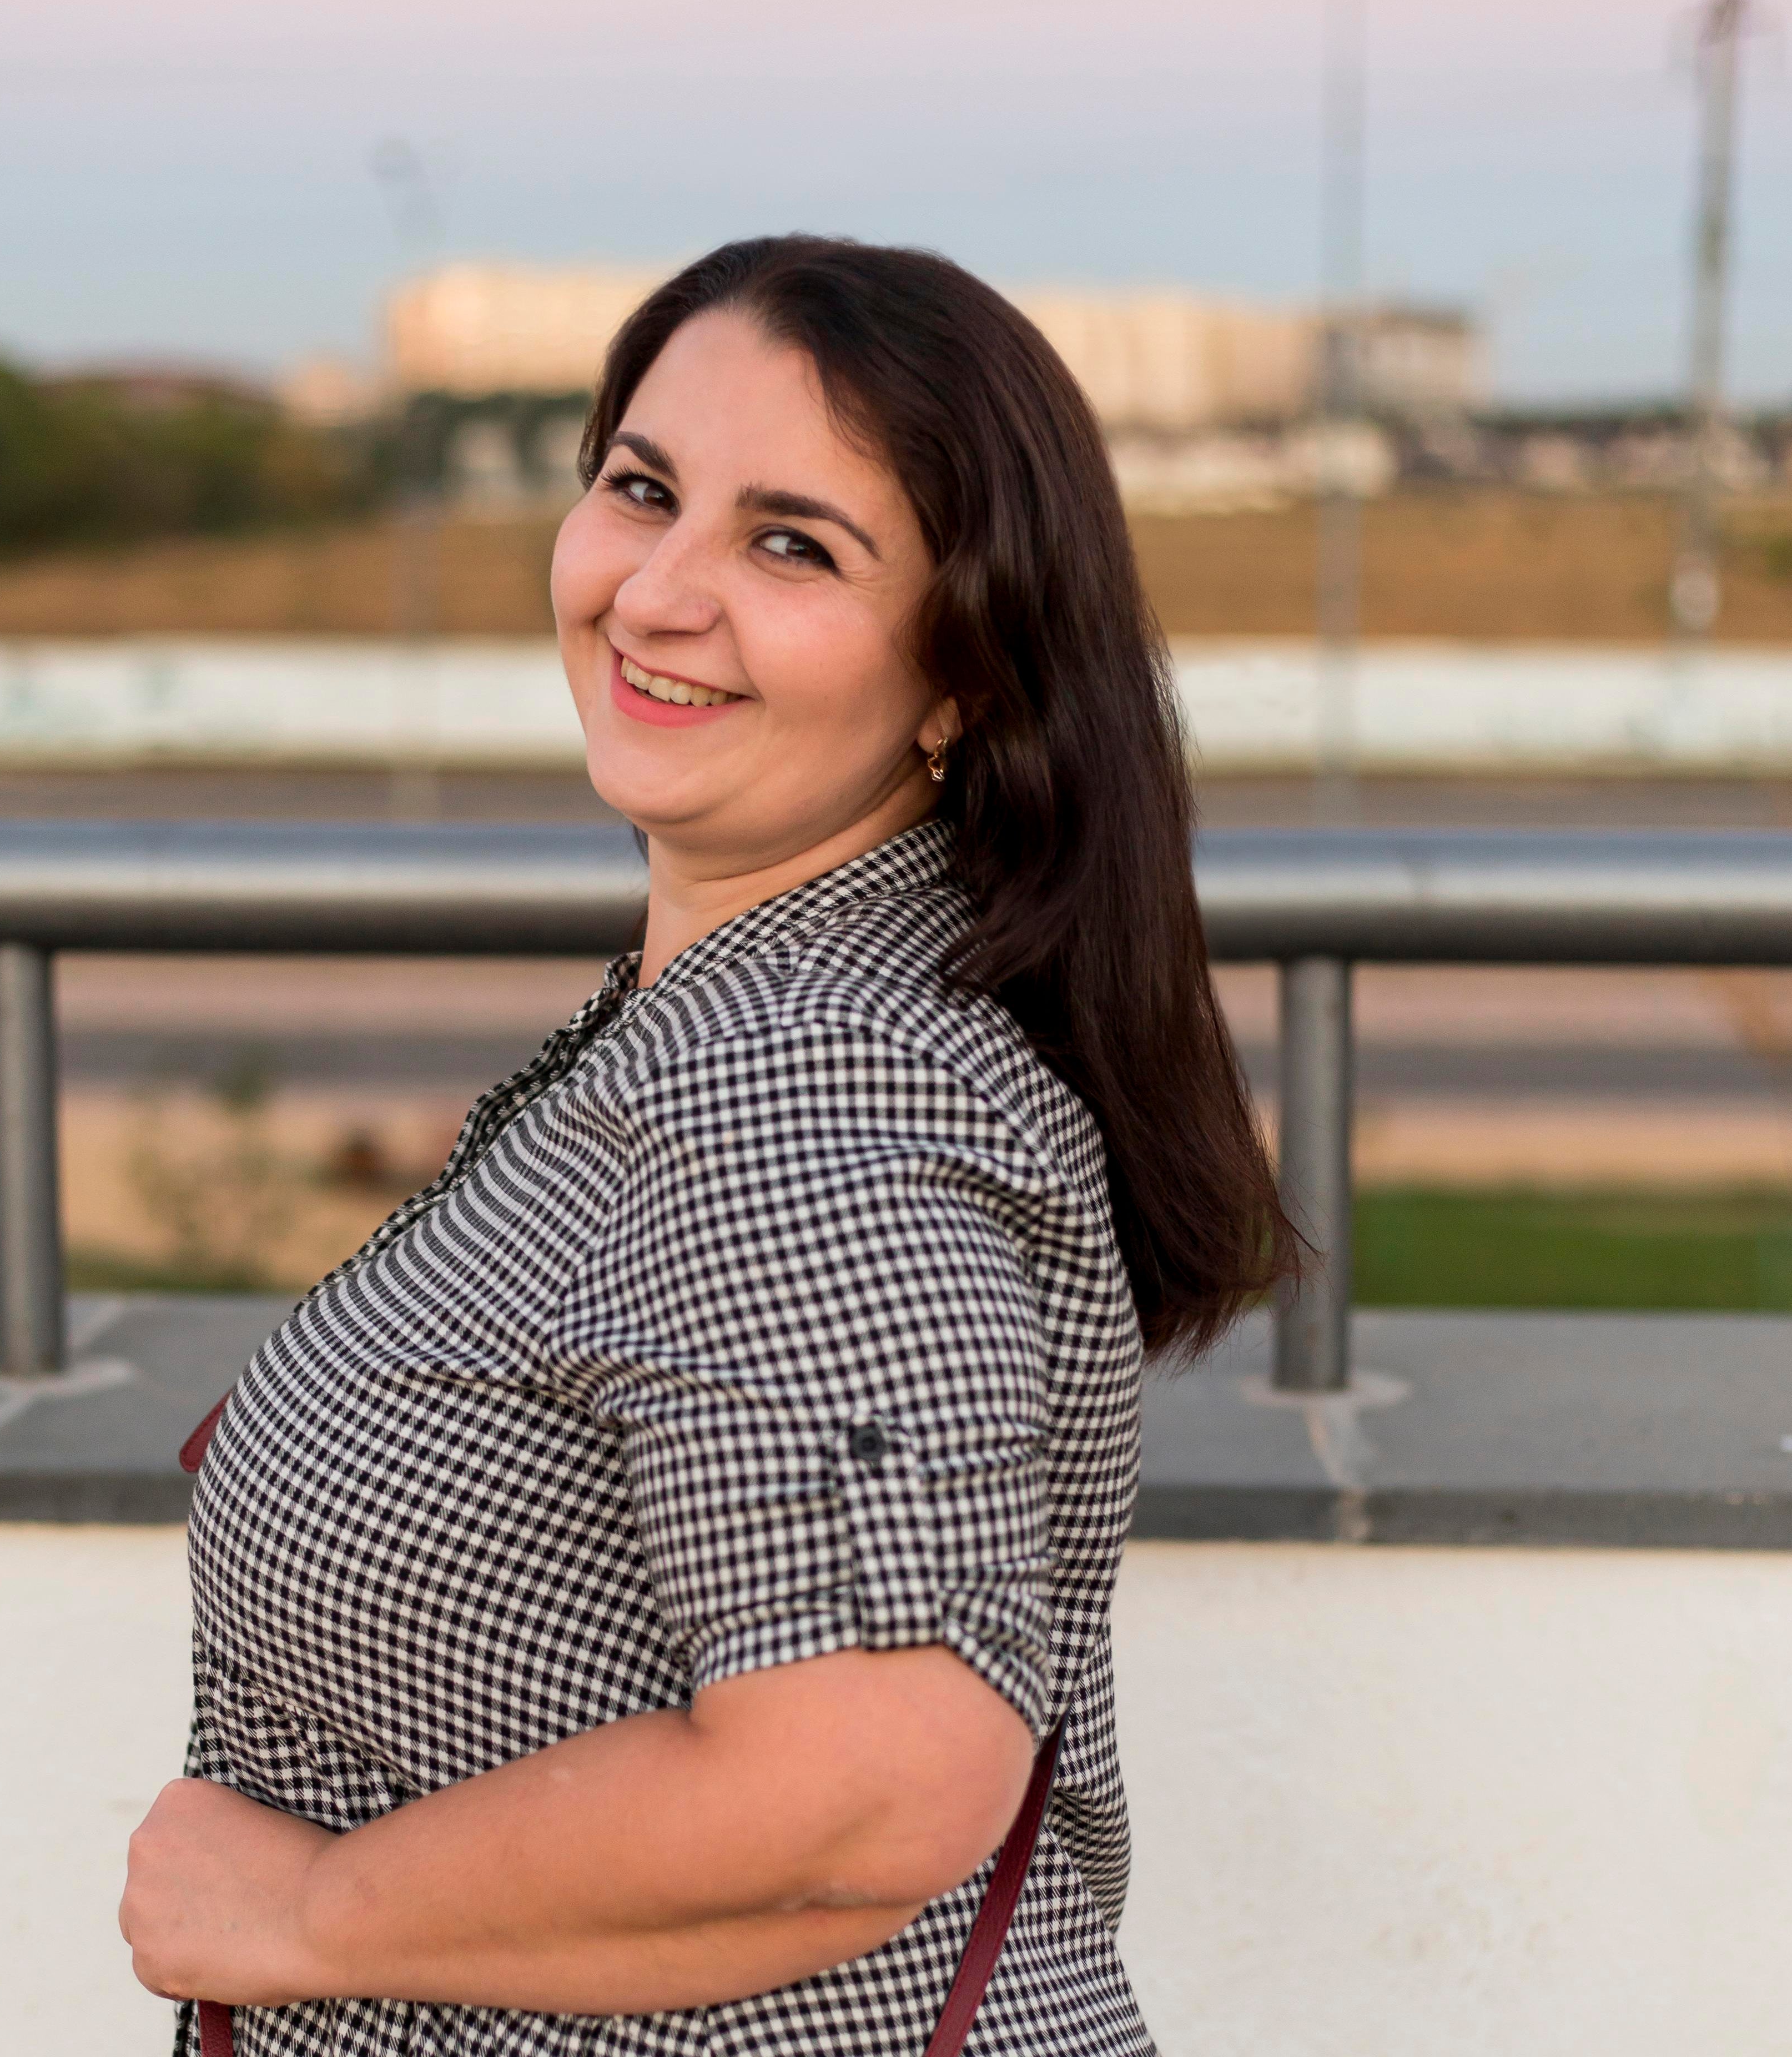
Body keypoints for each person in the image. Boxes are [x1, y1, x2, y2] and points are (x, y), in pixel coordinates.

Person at [119, 234, 1293, 2055]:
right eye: (641, 491)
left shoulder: (811, 1085)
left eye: (790, 544)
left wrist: (306, 1910)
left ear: (965, 677)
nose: (656, 592)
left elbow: (872, 1781)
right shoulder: (730, 1017)